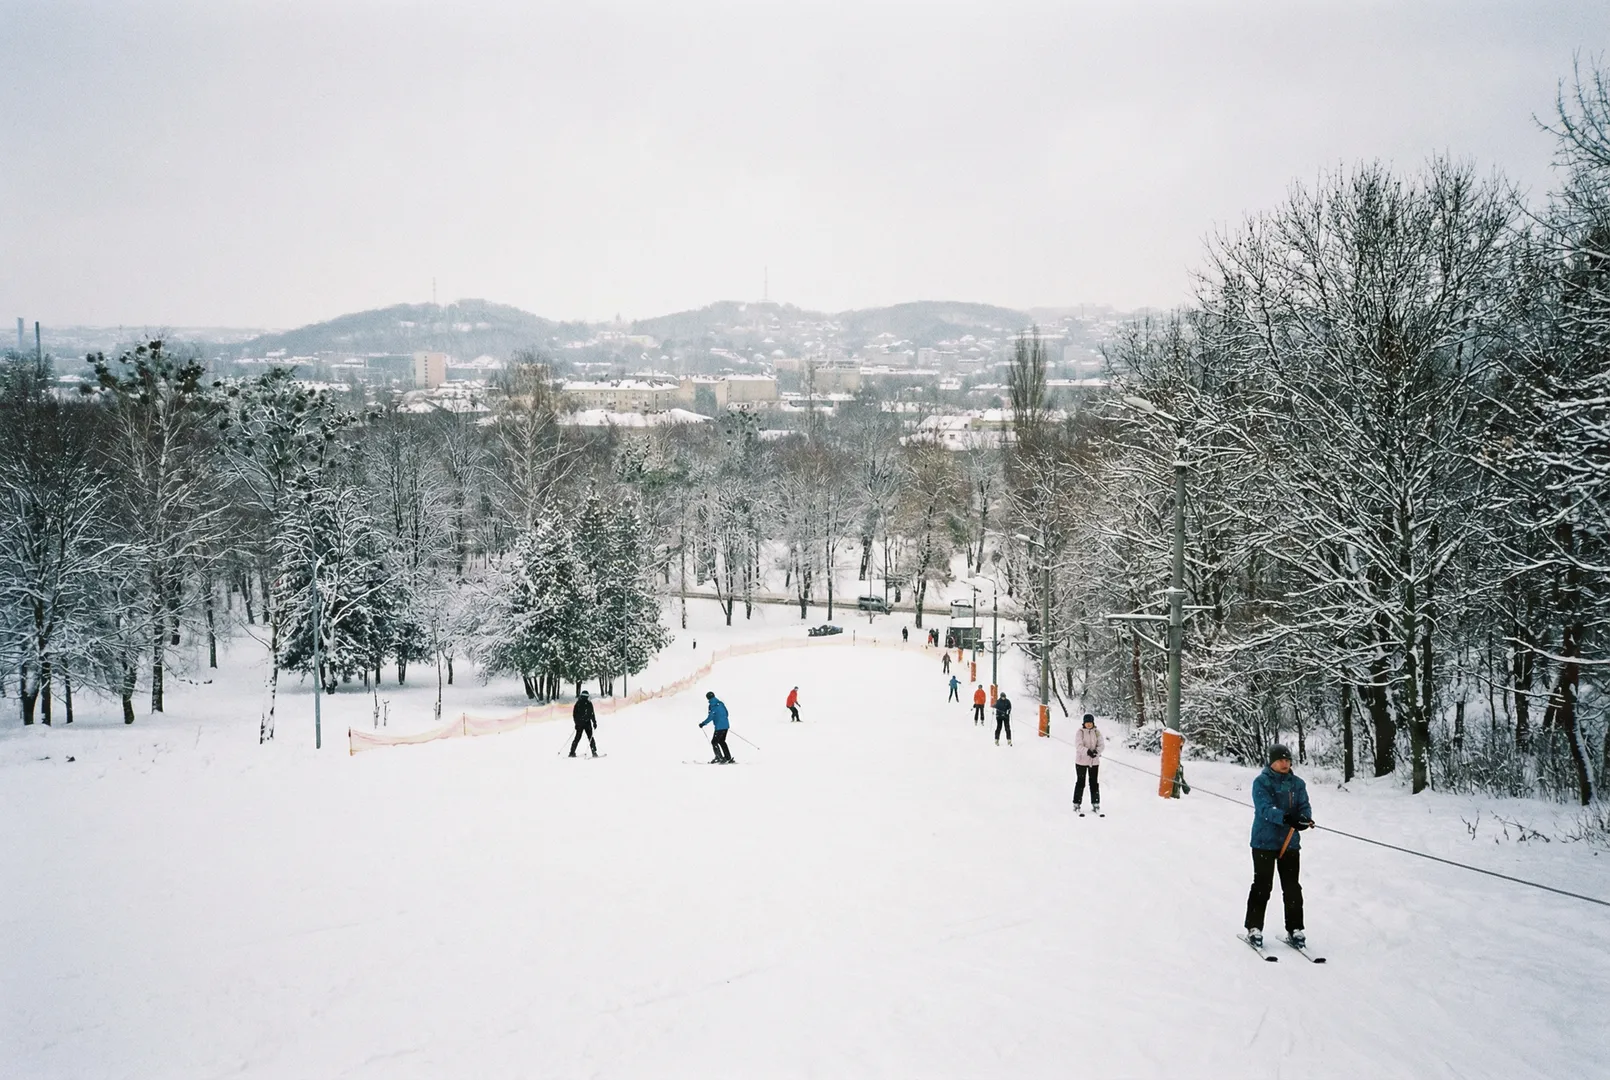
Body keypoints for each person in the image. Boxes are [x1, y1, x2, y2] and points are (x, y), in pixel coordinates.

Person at [1244, 744, 1313, 948]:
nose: (1284, 763)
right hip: (1264, 842)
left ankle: (1295, 929)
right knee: (1263, 885)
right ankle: (1254, 927)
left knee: (1292, 887)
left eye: (1287, 760)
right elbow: (1264, 808)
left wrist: (1304, 819)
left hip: (1289, 843)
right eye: (1280, 760)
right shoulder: (1261, 782)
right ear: (1271, 762)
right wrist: (1284, 817)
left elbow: (1304, 806)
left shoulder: (1298, 784)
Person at [1073, 714, 1104, 814]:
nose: (1089, 724)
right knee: (1080, 782)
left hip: (1094, 762)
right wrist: (1087, 751)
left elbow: (1101, 744)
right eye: (1087, 723)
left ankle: (1095, 803)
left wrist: (1096, 752)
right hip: (1081, 761)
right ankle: (1076, 803)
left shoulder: (1097, 732)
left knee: (1094, 782)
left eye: (1090, 723)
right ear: (1084, 723)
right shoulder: (1080, 732)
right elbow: (1078, 745)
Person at [700, 690, 734, 763]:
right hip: (726, 726)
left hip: (719, 727)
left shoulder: (712, 706)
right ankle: (728, 757)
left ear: (708, 698)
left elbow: (710, 717)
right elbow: (727, 713)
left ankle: (719, 757)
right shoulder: (721, 703)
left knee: (714, 742)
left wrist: (703, 724)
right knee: (722, 741)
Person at [569, 689, 598, 757]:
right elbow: (592, 714)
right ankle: (594, 752)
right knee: (590, 737)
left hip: (580, 724)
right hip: (587, 723)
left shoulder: (578, 703)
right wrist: (594, 722)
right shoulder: (588, 703)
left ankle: (572, 752)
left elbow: (574, 715)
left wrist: (576, 723)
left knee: (577, 738)